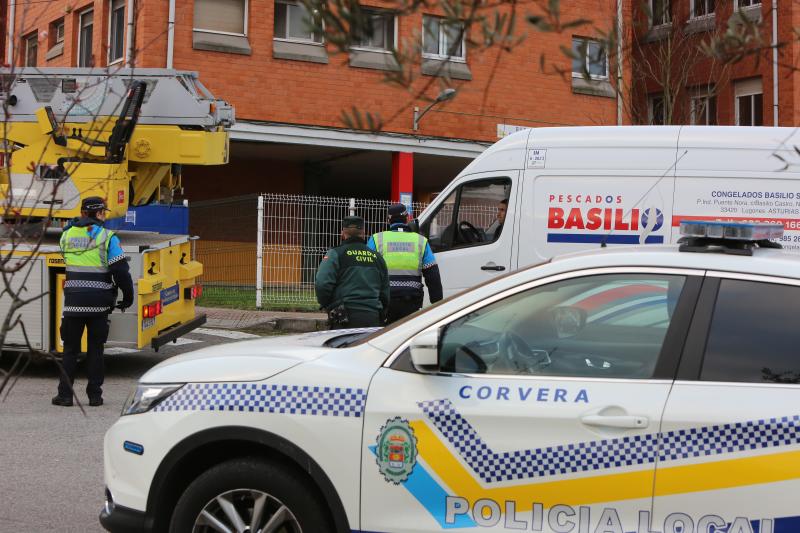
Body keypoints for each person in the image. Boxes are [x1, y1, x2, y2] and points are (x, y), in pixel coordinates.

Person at [52, 196, 133, 407]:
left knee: (70, 350)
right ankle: (95, 396)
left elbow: (68, 261)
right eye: (103, 213)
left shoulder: (66, 235)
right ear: (98, 214)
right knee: (96, 350)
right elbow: (120, 271)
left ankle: (65, 395)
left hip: (73, 302)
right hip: (99, 303)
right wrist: (128, 296)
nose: (104, 216)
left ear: (82, 213)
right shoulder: (107, 237)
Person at [367, 203, 443, 323]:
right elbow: (433, 275)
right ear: (407, 218)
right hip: (412, 301)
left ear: (388, 220)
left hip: (385, 301)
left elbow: (367, 271)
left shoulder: (376, 239)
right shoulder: (421, 241)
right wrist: (437, 304)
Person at [315, 216, 390, 329]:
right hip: (372, 317)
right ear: (363, 233)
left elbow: (322, 284)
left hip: (344, 317)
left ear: (342, 233)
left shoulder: (335, 254)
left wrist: (327, 305)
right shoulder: (377, 257)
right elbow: (385, 293)